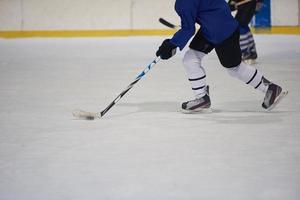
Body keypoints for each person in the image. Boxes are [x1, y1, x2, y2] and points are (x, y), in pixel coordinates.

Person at [155, 0, 287, 113]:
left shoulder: (184, 3)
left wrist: (172, 44)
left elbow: (188, 29)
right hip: (212, 26)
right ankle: (202, 98)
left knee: (234, 68)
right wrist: (173, 45)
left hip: (223, 31)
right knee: (190, 58)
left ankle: (271, 88)